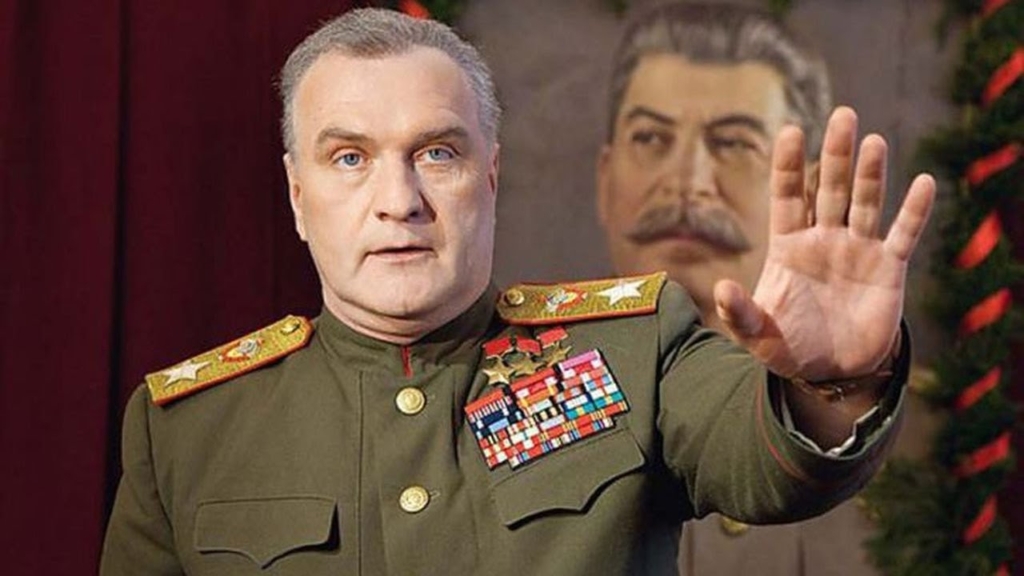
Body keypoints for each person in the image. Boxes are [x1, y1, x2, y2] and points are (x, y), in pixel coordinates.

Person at [99, 7, 934, 575]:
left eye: (437, 153)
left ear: (490, 177)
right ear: (295, 195)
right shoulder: (187, 430)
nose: (399, 200)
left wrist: (835, 381)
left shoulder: (637, 352)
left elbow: (770, 464)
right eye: (349, 158)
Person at [594, 3, 885, 574]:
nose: (687, 183)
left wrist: (827, 394)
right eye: (650, 138)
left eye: (733, 143)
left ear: (809, 190)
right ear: (605, 181)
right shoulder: (509, 399)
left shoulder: (904, 428)